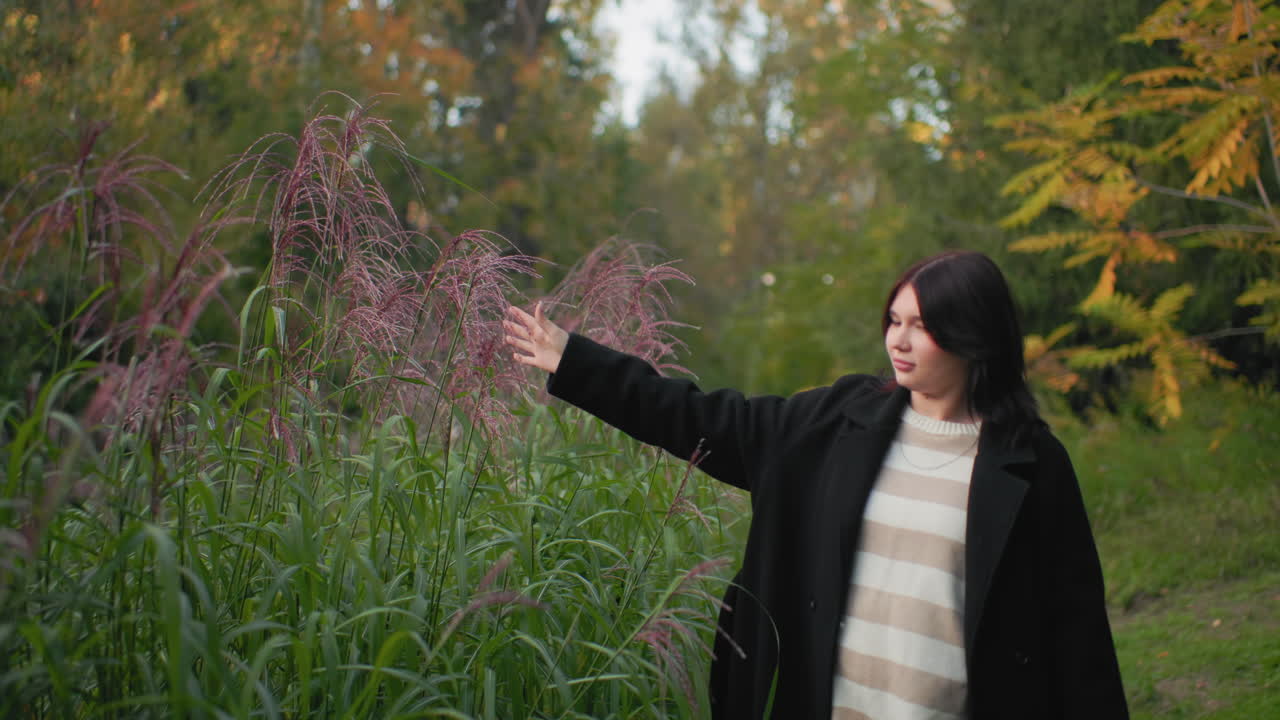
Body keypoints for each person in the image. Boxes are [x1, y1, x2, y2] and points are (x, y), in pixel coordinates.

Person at [503, 250, 1128, 719]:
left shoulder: (1032, 465)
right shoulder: (840, 421)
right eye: (893, 319)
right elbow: (708, 420)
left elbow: (1078, 637)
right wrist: (578, 363)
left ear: (975, 337)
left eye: (921, 325)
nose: (898, 340)